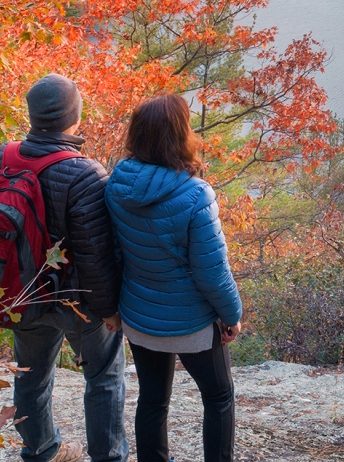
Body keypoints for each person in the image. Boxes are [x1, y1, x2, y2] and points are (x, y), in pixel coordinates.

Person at [0, 74, 127, 462]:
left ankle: (40, 450)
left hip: (21, 293)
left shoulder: (0, 158)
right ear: (75, 116)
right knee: (104, 378)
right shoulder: (85, 173)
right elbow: (95, 254)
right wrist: (109, 309)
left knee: (30, 377)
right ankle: (108, 457)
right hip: (75, 301)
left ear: (32, 115)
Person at [104, 94, 243, 462]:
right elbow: (212, 272)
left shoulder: (117, 182)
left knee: (152, 400)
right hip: (191, 322)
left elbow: (114, 253)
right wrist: (231, 315)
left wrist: (114, 306)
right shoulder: (195, 194)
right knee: (218, 396)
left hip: (139, 315)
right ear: (182, 135)